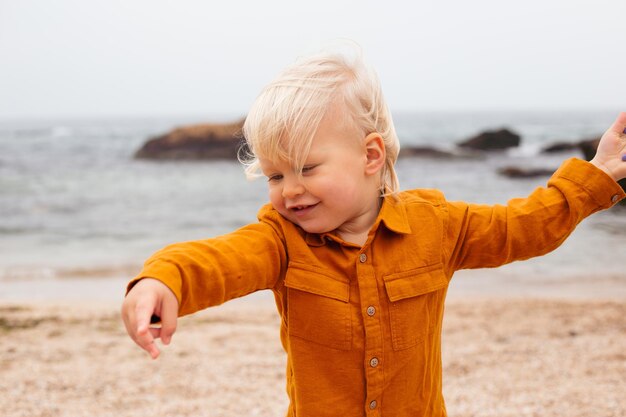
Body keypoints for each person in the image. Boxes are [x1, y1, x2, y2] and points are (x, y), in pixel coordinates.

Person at [121, 47, 626, 417]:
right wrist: (162, 281)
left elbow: (522, 227)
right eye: (275, 176)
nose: (289, 190)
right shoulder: (281, 240)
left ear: (370, 155)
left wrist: (593, 178)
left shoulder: (436, 226)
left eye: (306, 168)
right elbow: (218, 260)